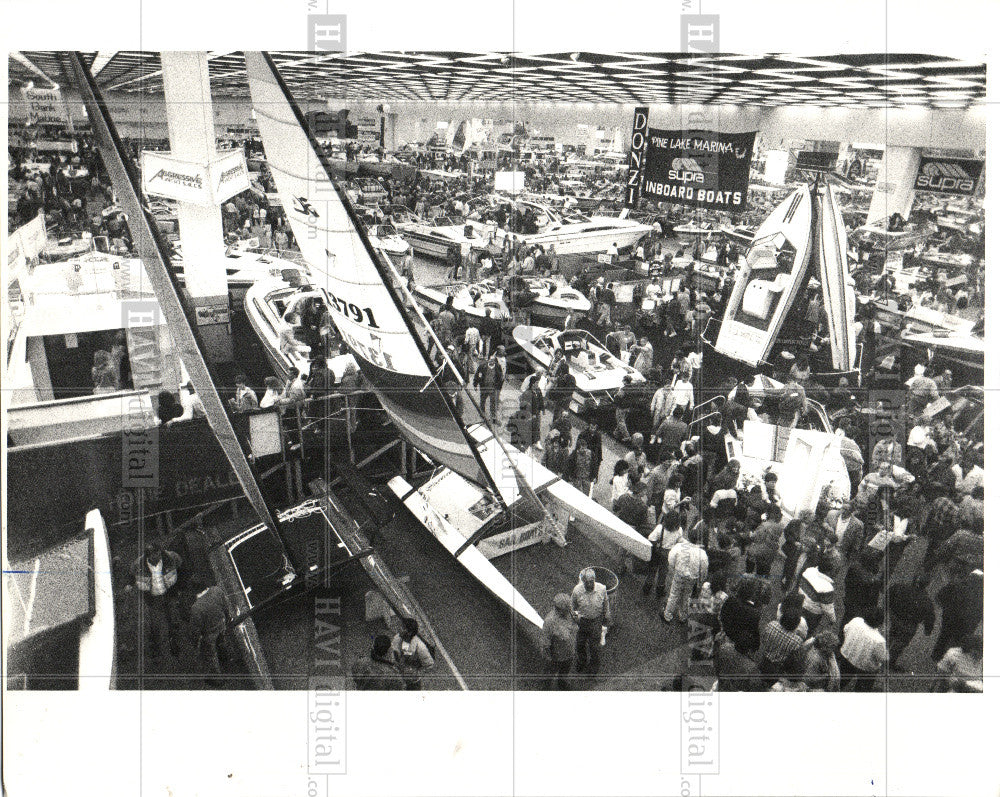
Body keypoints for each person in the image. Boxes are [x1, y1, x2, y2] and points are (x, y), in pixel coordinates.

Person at [130, 544, 182, 657]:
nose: (159, 556)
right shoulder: (138, 565)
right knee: (155, 624)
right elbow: (131, 576)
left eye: (159, 553)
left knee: (172, 620)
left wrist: (178, 587)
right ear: (149, 556)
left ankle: (174, 645)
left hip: (168, 595)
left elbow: (181, 567)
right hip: (153, 599)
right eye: (155, 554)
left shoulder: (171, 558)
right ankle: (155, 650)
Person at [662, 525, 709, 624]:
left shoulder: (679, 546)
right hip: (692, 578)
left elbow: (671, 558)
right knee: (687, 596)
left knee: (674, 594)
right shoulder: (702, 553)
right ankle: (683, 616)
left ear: (688, 536)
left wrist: (674, 567)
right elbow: (704, 568)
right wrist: (701, 578)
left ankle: (667, 615)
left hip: (679, 574)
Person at [188, 577, 231, 677]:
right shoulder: (217, 590)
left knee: (210, 654)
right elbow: (225, 606)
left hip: (210, 633)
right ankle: (227, 663)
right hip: (222, 624)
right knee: (222, 644)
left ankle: (217, 675)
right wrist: (227, 618)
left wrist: (195, 641)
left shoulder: (196, 607)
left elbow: (196, 628)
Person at [571, 569, 611, 675]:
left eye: (591, 581)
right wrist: (575, 617)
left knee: (594, 647)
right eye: (587, 582)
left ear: (594, 579)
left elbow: (606, 602)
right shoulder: (577, 591)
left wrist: (607, 614)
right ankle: (582, 661)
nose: (589, 584)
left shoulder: (602, 589)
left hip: (596, 621)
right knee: (580, 644)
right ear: (583, 581)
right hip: (582, 621)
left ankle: (593, 667)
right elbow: (572, 606)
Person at [839, 606, 888, 692]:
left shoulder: (856, 621)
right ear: (880, 623)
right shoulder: (879, 640)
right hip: (865, 667)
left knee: (841, 680)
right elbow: (882, 658)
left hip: (847, 655)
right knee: (863, 688)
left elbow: (845, 630)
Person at [644, 509, 683, 599]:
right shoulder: (679, 530)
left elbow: (651, 538)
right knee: (663, 573)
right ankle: (659, 591)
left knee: (652, 571)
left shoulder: (660, 528)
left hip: (657, 552)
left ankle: (647, 588)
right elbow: (679, 542)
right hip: (669, 554)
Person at [541, 593, 578, 690]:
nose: (569, 609)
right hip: (556, 657)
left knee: (564, 673)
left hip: (569, 653)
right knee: (549, 674)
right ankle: (545, 688)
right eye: (567, 608)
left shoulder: (570, 613)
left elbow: (575, 626)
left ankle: (562, 685)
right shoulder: (550, 621)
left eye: (569, 607)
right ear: (559, 609)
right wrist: (549, 658)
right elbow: (546, 642)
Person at [391, 617, 435, 690]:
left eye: (402, 628)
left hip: (412, 682)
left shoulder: (420, 647)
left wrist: (415, 671)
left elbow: (429, 664)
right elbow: (394, 651)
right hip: (399, 676)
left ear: (409, 632)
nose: (399, 628)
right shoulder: (397, 638)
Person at [473, 353, 504, 424]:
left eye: (493, 360)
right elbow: (477, 375)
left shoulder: (498, 367)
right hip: (484, 387)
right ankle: (482, 415)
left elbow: (501, 378)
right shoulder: (482, 366)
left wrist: (499, 388)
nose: (491, 361)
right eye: (490, 360)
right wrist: (475, 384)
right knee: (482, 401)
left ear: (495, 361)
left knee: (493, 403)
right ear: (488, 360)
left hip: (493, 388)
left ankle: (492, 417)